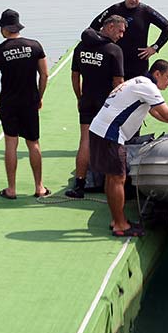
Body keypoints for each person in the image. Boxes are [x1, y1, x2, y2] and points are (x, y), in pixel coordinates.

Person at [88, 59, 168, 237]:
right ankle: (120, 225)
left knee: (112, 177)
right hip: (110, 133)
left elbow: (157, 114)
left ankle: (116, 220)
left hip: (99, 129)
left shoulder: (138, 82)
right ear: (157, 73)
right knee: (118, 178)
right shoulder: (148, 86)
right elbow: (167, 113)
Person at [0, 9, 50, 199]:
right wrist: (39, 96)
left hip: (8, 102)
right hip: (29, 101)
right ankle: (39, 187)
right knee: (33, 144)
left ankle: (11, 189)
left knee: (11, 144)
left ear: (5, 29)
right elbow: (45, 74)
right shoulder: (35, 46)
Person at [66, 16, 127, 199]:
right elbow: (119, 81)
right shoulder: (113, 50)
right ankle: (108, 183)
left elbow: (75, 76)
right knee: (110, 143)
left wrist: (79, 97)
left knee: (85, 141)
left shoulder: (81, 47)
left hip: (86, 100)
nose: (121, 35)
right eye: (120, 30)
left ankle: (79, 185)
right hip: (106, 103)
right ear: (109, 26)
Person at [89, 0, 168, 80]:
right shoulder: (115, 9)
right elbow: (94, 27)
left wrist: (154, 48)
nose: (133, 0)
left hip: (138, 63)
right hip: (116, 60)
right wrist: (103, 46)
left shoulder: (145, 11)